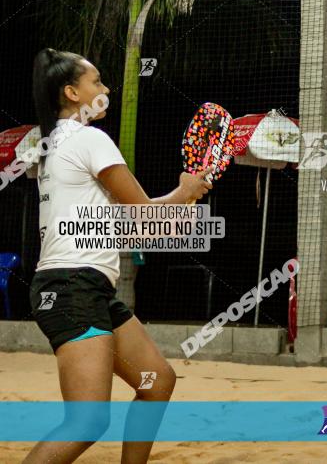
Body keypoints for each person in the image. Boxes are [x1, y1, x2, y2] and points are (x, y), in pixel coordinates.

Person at [26, 49, 211, 463]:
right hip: (73, 287)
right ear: (73, 93)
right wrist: (184, 193)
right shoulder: (90, 139)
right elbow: (147, 217)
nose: (106, 89)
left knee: (156, 381)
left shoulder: (54, 143)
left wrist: (182, 197)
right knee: (86, 423)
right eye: (97, 82)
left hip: (82, 286)